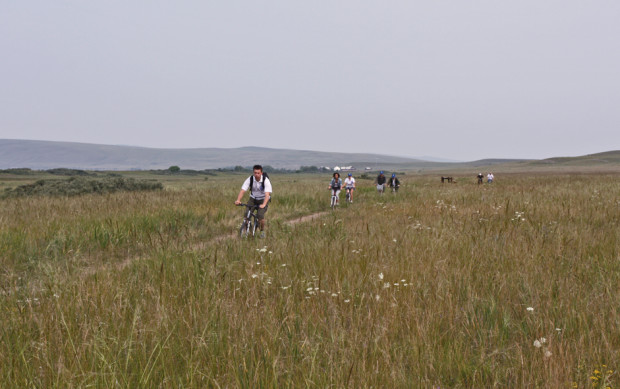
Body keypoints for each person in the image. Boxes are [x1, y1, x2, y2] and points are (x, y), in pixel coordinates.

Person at [235, 165, 272, 238]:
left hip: (263, 199)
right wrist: (238, 200)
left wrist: (264, 204)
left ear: (261, 173)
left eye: (258, 173)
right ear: (253, 172)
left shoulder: (265, 180)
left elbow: (267, 194)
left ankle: (262, 231)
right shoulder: (250, 179)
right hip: (253, 198)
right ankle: (250, 230)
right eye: (255, 173)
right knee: (246, 215)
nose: (256, 175)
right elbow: (243, 190)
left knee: (260, 215)